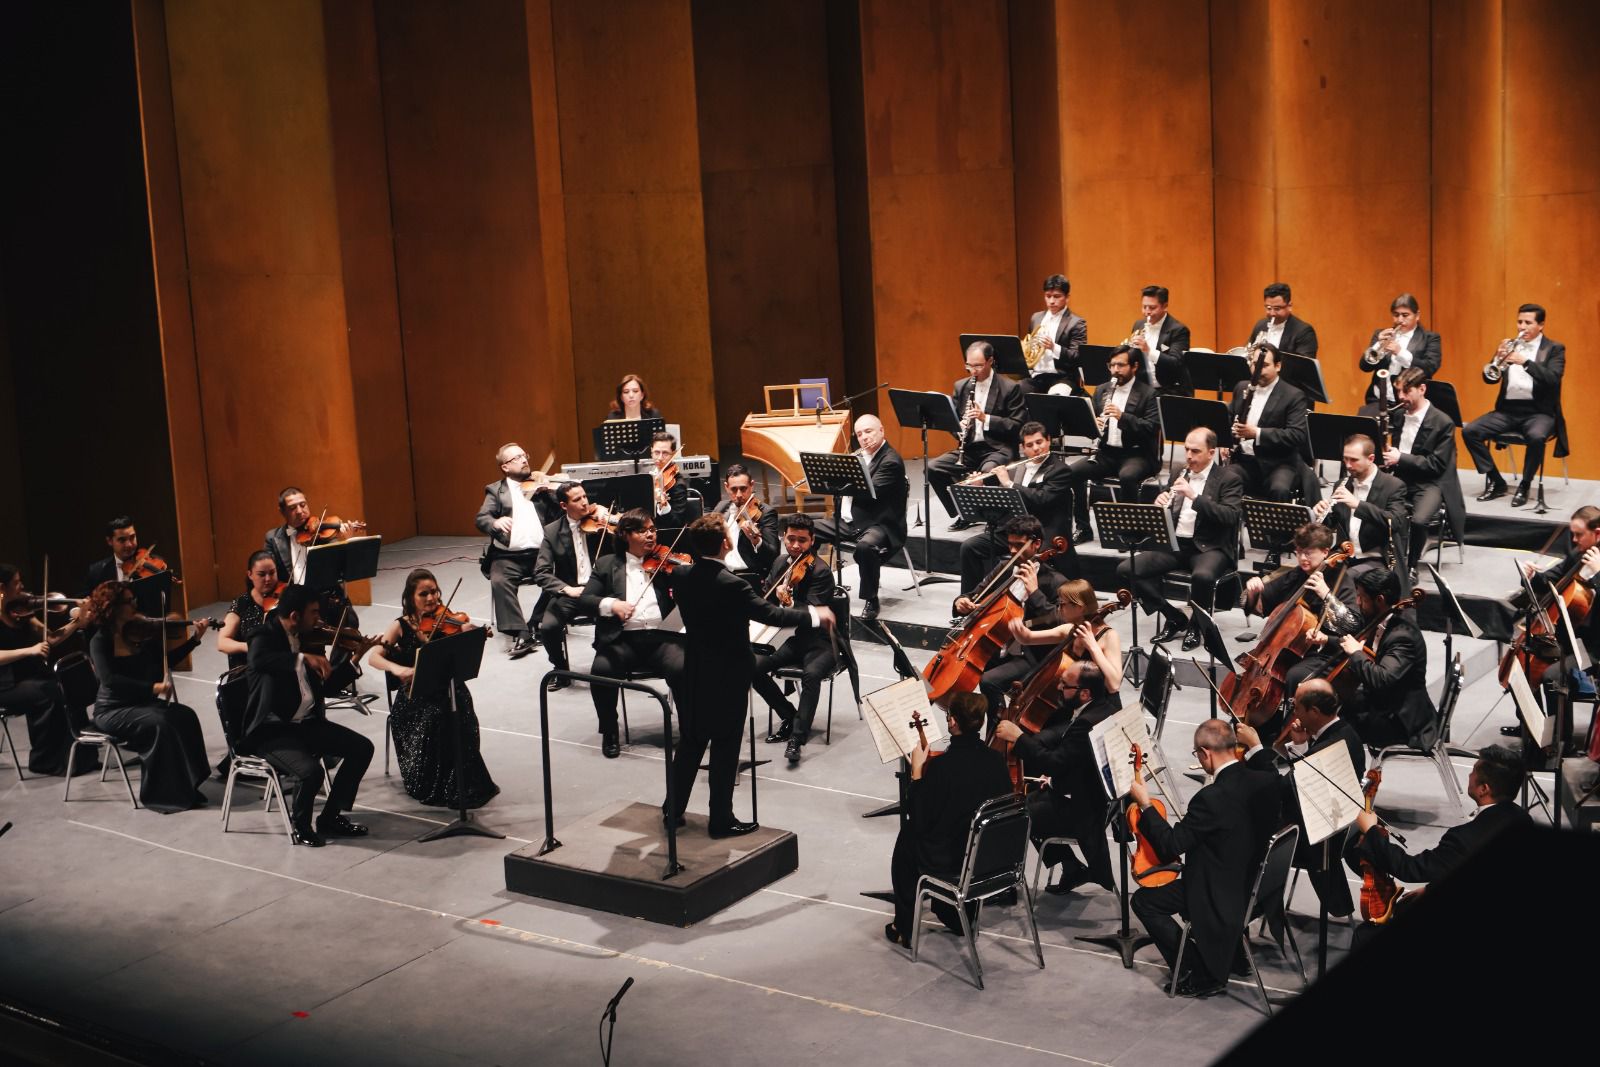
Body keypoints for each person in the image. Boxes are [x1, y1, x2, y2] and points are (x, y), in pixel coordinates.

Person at [665, 515, 834, 838]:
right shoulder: (732, 584)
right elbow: (770, 613)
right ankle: (720, 820)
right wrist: (816, 614)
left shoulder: (682, 575)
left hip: (695, 669)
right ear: (725, 543)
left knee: (690, 744)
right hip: (728, 674)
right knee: (725, 749)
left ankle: (672, 810)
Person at [1128, 719, 1283, 997]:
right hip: (1256, 889)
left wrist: (1146, 804)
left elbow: (1171, 845)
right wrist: (1257, 746)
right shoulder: (1267, 780)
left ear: (1204, 753)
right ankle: (1235, 954)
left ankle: (1200, 971)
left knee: (1144, 902)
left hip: (1219, 893)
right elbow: (1267, 766)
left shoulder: (1211, 798)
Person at [241, 583, 375, 846]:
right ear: (294, 616)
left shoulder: (307, 638)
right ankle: (301, 826)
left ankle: (330, 818)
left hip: (306, 725)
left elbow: (326, 687)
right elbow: (258, 661)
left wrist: (355, 660)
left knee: (362, 748)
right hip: (271, 732)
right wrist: (301, 659)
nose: (319, 619)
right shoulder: (262, 636)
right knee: (310, 772)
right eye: (314, 613)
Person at [884, 691, 1013, 948]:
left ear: (953, 722)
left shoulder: (944, 768)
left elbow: (919, 816)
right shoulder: (996, 761)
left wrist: (918, 772)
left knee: (908, 838)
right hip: (988, 860)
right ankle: (958, 914)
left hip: (953, 860)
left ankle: (904, 927)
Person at [365, 569, 499, 809]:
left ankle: (459, 779)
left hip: (448, 689)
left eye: (434, 592)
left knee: (462, 710)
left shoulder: (448, 619)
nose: (431, 598)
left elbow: (461, 656)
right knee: (437, 716)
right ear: (410, 597)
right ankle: (432, 782)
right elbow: (373, 656)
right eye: (423, 594)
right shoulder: (400, 626)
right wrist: (398, 670)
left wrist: (470, 635)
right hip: (415, 698)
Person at [999, 650, 1122, 897]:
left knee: (1013, 815)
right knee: (1029, 799)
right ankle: (1071, 866)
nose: (1058, 687)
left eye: (1064, 685)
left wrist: (1019, 737)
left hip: (1083, 810)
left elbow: (1056, 762)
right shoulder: (1106, 706)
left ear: (1084, 693)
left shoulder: (1087, 724)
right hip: (1095, 797)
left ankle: (1003, 886)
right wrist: (1055, 782)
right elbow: (1075, 762)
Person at [1237, 680, 1366, 914]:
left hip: (1312, 840)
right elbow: (1307, 777)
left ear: (1314, 712)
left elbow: (1279, 788)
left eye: (1297, 707)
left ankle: (1247, 909)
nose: (1293, 712)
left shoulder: (1329, 747)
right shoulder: (1347, 732)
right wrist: (1301, 745)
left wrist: (1256, 748)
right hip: (1329, 824)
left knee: (1241, 834)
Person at [84, 581, 212, 813]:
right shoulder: (100, 641)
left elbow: (166, 660)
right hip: (112, 709)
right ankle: (164, 794)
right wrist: (153, 688)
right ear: (111, 606)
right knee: (161, 723)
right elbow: (110, 680)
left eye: (134, 599)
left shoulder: (137, 632)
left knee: (185, 715)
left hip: (141, 704)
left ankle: (188, 784)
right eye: (128, 601)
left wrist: (195, 639)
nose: (135, 604)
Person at [1117, 427, 1245, 648]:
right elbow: (1167, 510)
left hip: (1209, 547)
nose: (1188, 456)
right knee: (1127, 570)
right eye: (1186, 450)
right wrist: (1159, 504)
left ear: (1211, 453)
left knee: (1203, 577)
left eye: (1195, 451)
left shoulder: (1228, 479)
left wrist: (1195, 497)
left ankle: (1196, 626)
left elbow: (1230, 516)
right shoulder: (1179, 471)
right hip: (1176, 544)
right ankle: (1174, 616)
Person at [575, 510, 686, 759]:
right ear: (625, 535)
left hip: (662, 639)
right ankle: (610, 730)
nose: (650, 535)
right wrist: (611, 605)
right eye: (643, 530)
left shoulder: (665, 563)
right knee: (601, 672)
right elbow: (585, 601)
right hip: (622, 641)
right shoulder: (606, 564)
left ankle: (689, 729)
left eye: (653, 530)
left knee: (683, 668)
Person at [1346, 753, 1531, 888]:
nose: (1469, 775)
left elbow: (1410, 869)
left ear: (1484, 789)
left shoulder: (1464, 839)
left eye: (1473, 771)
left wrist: (1371, 830)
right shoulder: (1522, 817)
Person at [1238, 523, 1363, 717]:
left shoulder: (1340, 578)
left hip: (1327, 650)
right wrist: (1253, 593)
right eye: (1298, 552)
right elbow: (1261, 605)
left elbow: (1352, 624)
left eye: (1308, 553)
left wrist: (1325, 594)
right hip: (1294, 650)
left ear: (1325, 552)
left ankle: (1294, 723)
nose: (1302, 558)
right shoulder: (1297, 574)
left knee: (1295, 675)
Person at [957, 517, 1067, 720]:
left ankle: (995, 732)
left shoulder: (1055, 581)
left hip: (1030, 654)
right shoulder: (1004, 569)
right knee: (960, 673)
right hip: (997, 646)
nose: (1013, 551)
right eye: (1010, 544)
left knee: (989, 681)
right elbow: (974, 595)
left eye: (1019, 545)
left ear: (1036, 544)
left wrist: (1034, 592)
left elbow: (1061, 623)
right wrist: (961, 602)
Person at [1463, 303, 1567, 507]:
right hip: (1507, 410)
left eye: (1528, 323)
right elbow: (1490, 379)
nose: (1522, 327)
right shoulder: (1510, 345)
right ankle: (1496, 480)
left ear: (1541, 325)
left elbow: (1553, 378)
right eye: (1520, 322)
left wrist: (1525, 362)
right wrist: (1497, 358)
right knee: (1470, 431)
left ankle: (1525, 484)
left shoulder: (1554, 348)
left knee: (1536, 437)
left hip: (1539, 412)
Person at [752, 513, 836, 765]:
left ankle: (797, 738)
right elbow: (765, 599)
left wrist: (788, 602)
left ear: (812, 541)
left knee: (811, 674)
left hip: (819, 641)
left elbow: (814, 614)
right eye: (791, 539)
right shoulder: (780, 562)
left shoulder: (821, 571)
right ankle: (789, 715)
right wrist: (772, 597)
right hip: (788, 640)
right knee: (751, 666)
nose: (796, 545)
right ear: (783, 538)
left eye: (802, 540)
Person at [0, 563, 96, 776]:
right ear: (2, 588)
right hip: (6, 683)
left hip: (29, 676)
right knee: (49, 693)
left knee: (67, 685)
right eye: (16, 582)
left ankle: (82, 754)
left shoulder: (21, 610)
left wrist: (76, 622)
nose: (22, 586)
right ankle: (45, 760)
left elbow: (51, 638)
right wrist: (29, 651)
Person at [955, 421, 1075, 587]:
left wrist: (1009, 484)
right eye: (1030, 445)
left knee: (1026, 556)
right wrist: (980, 488)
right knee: (970, 547)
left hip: (1041, 534)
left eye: (1039, 442)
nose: (1036, 448)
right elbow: (1000, 502)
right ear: (1022, 448)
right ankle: (971, 600)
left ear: (1048, 440)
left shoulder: (1060, 470)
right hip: (1014, 532)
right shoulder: (1015, 468)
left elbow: (1042, 499)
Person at [814, 414, 909, 621]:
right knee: (807, 530)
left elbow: (869, 491)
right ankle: (815, 586)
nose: (864, 437)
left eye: (869, 431)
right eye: (859, 434)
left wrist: (841, 477)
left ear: (881, 430)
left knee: (865, 547)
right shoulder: (858, 457)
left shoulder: (891, 461)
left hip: (879, 523)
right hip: (849, 521)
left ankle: (871, 599)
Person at [927, 341, 1028, 529]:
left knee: (988, 470)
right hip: (970, 448)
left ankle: (994, 518)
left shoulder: (1010, 388)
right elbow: (953, 421)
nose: (973, 370)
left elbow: (1017, 426)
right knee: (933, 468)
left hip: (998, 448)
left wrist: (985, 418)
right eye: (969, 365)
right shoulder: (961, 386)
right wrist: (959, 428)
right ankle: (963, 512)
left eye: (978, 365)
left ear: (990, 361)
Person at [1065, 345, 1159, 544]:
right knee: (1072, 473)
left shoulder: (1148, 394)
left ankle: (1132, 531)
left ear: (1134, 366)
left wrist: (1122, 416)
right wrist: (1094, 426)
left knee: (1128, 476)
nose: (1115, 370)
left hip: (1137, 454)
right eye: (1112, 365)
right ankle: (1083, 528)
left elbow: (1151, 428)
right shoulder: (1101, 390)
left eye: (1121, 365)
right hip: (1107, 453)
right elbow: (1090, 425)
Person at [477, 442, 563, 658]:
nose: (524, 460)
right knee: (499, 581)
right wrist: (495, 523)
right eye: (516, 458)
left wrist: (550, 491)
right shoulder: (496, 490)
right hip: (507, 557)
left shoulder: (539, 487)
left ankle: (536, 622)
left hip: (541, 554)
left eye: (524, 455)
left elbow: (560, 512)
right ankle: (521, 632)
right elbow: (482, 518)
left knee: (561, 576)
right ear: (505, 467)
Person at [1338, 568, 1433, 750]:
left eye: (1362, 598)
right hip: (1383, 703)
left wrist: (1356, 654)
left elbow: (1382, 679)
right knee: (1333, 709)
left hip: (1400, 719)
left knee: (1337, 730)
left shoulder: (1403, 636)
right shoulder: (1380, 620)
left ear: (1379, 600)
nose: (1358, 602)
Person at [532, 482, 614, 688]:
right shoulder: (552, 532)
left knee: (615, 620)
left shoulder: (600, 523)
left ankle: (607, 662)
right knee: (548, 627)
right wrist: (566, 589)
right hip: (572, 592)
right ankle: (561, 668)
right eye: (577, 499)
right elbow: (541, 572)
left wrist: (611, 520)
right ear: (563, 505)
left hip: (600, 588)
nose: (585, 502)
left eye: (585, 497)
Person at [1380, 368, 1460, 571]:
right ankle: (1384, 560)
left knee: (1418, 520)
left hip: (1430, 482)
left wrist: (1401, 457)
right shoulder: (1398, 415)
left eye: (1407, 392)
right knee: (1374, 509)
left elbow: (1436, 465)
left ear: (1422, 389)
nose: (1401, 397)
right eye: (1399, 392)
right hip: (1400, 477)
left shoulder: (1443, 422)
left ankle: (1411, 566)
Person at [213, 550, 282, 774]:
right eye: (262, 574)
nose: (268, 579)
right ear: (250, 575)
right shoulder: (241, 603)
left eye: (272, 573)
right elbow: (222, 642)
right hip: (246, 676)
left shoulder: (285, 599)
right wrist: (251, 647)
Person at [265, 488, 365, 635]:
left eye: (303, 505)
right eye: (293, 508)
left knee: (349, 634)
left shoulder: (323, 532)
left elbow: (342, 563)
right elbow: (270, 572)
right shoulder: (273, 538)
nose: (300, 511)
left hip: (327, 598)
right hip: (297, 604)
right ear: (282, 511)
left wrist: (348, 540)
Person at [1311, 434, 1409, 575]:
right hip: (1345, 556)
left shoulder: (1393, 486)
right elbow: (1332, 525)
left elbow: (1394, 522)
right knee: (1310, 575)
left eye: (1354, 460)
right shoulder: (1342, 484)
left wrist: (1358, 505)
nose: (1348, 465)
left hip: (1377, 560)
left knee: (1345, 580)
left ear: (1371, 459)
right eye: (1345, 459)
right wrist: (1321, 514)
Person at [1228, 342, 1313, 503]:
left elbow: (1297, 435)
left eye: (1265, 365)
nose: (1258, 370)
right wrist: (1227, 438)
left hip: (1279, 463)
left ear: (1278, 366)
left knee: (1279, 488)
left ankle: (1274, 528)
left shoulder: (1294, 395)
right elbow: (1230, 418)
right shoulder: (1241, 387)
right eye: (1255, 364)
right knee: (1225, 480)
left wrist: (1257, 433)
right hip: (1246, 461)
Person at [1360, 293, 1442, 408]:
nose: (1399, 320)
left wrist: (1400, 352)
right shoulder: (1381, 335)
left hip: (1409, 404)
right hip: (1377, 401)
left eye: (1405, 315)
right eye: (1396, 315)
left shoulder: (1430, 338)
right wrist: (1378, 344)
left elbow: (1429, 368)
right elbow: (1364, 367)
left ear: (1417, 315)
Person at [710, 462, 780, 585]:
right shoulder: (721, 507)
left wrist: (756, 541)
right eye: (733, 489)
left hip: (748, 577)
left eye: (743, 488)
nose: (739, 495)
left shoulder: (766, 513)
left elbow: (773, 555)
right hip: (722, 574)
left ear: (751, 485)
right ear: (726, 487)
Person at [1021, 273, 1088, 394]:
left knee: (1055, 396)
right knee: (1017, 392)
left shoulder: (1076, 323)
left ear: (1067, 297)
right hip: (1037, 376)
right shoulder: (1036, 318)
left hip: (1063, 377)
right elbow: (1029, 348)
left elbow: (1078, 357)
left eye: (1057, 296)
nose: (1051, 301)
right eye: (1048, 296)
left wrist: (1054, 347)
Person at [1128, 284, 1192, 394]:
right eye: (1144, 307)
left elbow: (1176, 363)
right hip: (1144, 390)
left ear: (1165, 306)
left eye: (1152, 308)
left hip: (1171, 390)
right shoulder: (1138, 324)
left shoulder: (1179, 330)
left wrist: (1148, 351)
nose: (1147, 312)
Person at [1245, 282, 1318, 357]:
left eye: (1277, 309)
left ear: (1289, 306)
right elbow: (1249, 352)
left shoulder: (1304, 332)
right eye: (1268, 308)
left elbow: (1303, 365)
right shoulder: (1260, 325)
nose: (1272, 313)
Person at [81, 515, 143, 593]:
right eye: (122, 540)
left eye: (132, 537)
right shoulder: (96, 572)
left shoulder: (152, 564)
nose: (129, 545)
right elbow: (82, 600)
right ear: (109, 541)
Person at [648, 431, 693, 530]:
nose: (659, 458)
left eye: (665, 453)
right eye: (656, 452)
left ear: (673, 454)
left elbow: (677, 523)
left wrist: (664, 506)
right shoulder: (647, 477)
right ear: (651, 451)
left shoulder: (678, 485)